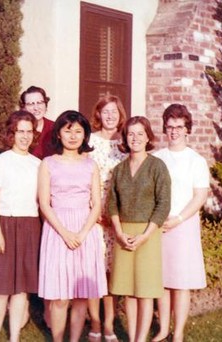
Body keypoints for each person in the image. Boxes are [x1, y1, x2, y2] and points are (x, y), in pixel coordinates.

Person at [38, 110, 108, 342]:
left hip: (84, 230)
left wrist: (82, 232)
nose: (73, 136)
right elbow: (44, 203)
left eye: (78, 131)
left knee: (80, 296)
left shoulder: (91, 165)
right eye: (68, 131)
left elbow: (97, 204)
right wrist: (65, 233)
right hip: (58, 229)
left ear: (85, 135)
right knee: (60, 296)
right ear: (58, 134)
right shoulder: (48, 164)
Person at [0, 110, 42, 342]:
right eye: (20, 131)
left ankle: (14, 337)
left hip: (29, 227)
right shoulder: (0, 162)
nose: (25, 136)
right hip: (3, 224)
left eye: (29, 132)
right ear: (11, 134)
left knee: (21, 290)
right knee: (1, 290)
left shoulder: (38, 164)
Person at [107, 116, 171, 342]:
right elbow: (112, 203)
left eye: (139, 134)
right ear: (124, 138)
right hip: (123, 234)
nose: (135, 138)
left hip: (148, 234)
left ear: (148, 137)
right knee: (128, 290)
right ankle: (133, 337)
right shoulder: (119, 169)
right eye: (130, 134)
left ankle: (140, 340)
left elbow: (163, 204)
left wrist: (145, 236)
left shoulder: (157, 166)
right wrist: (119, 232)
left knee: (144, 291)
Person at [151, 104, 210, 342]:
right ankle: (163, 329)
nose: (173, 131)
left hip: (183, 225)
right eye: (169, 127)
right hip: (159, 225)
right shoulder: (156, 158)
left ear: (187, 130)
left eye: (178, 127)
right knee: (162, 280)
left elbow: (200, 196)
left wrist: (178, 219)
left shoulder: (196, 160)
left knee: (181, 281)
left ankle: (178, 333)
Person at [87, 95, 127, 342]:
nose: (110, 115)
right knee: (94, 269)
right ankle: (94, 322)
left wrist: (115, 213)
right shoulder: (90, 141)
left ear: (120, 114)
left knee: (112, 272)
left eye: (114, 111)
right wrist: (97, 209)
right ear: (98, 115)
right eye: (105, 111)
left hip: (118, 215)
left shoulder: (126, 142)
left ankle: (110, 324)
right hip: (93, 211)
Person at [19, 85, 55, 159]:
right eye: (31, 104)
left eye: (40, 103)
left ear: (45, 105)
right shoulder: (18, 129)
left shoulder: (55, 128)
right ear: (23, 108)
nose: (36, 108)